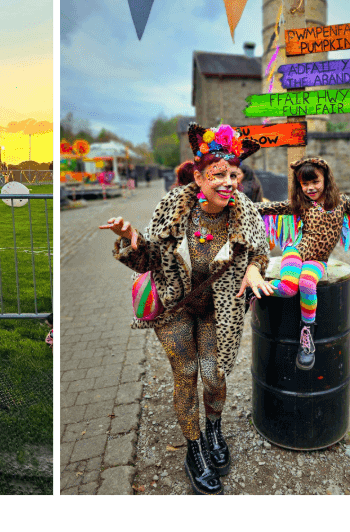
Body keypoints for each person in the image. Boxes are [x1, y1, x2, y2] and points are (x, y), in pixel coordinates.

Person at [100, 124, 273, 495]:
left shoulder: (245, 212)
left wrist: (256, 267)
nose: (228, 183)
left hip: (217, 309)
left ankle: (213, 428)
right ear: (198, 176)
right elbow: (148, 260)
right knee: (187, 371)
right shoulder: (173, 206)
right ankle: (194, 448)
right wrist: (131, 240)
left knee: (212, 375)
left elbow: (259, 250)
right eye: (218, 175)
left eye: (233, 175)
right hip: (174, 307)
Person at [255, 157, 350, 369]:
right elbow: (271, 208)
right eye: (304, 184)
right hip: (296, 250)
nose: (310, 188)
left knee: (307, 283)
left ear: (326, 178)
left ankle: (307, 336)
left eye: (314, 181)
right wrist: (242, 206)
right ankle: (257, 290)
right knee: (288, 288)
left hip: (318, 260)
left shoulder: (342, 202)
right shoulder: (302, 204)